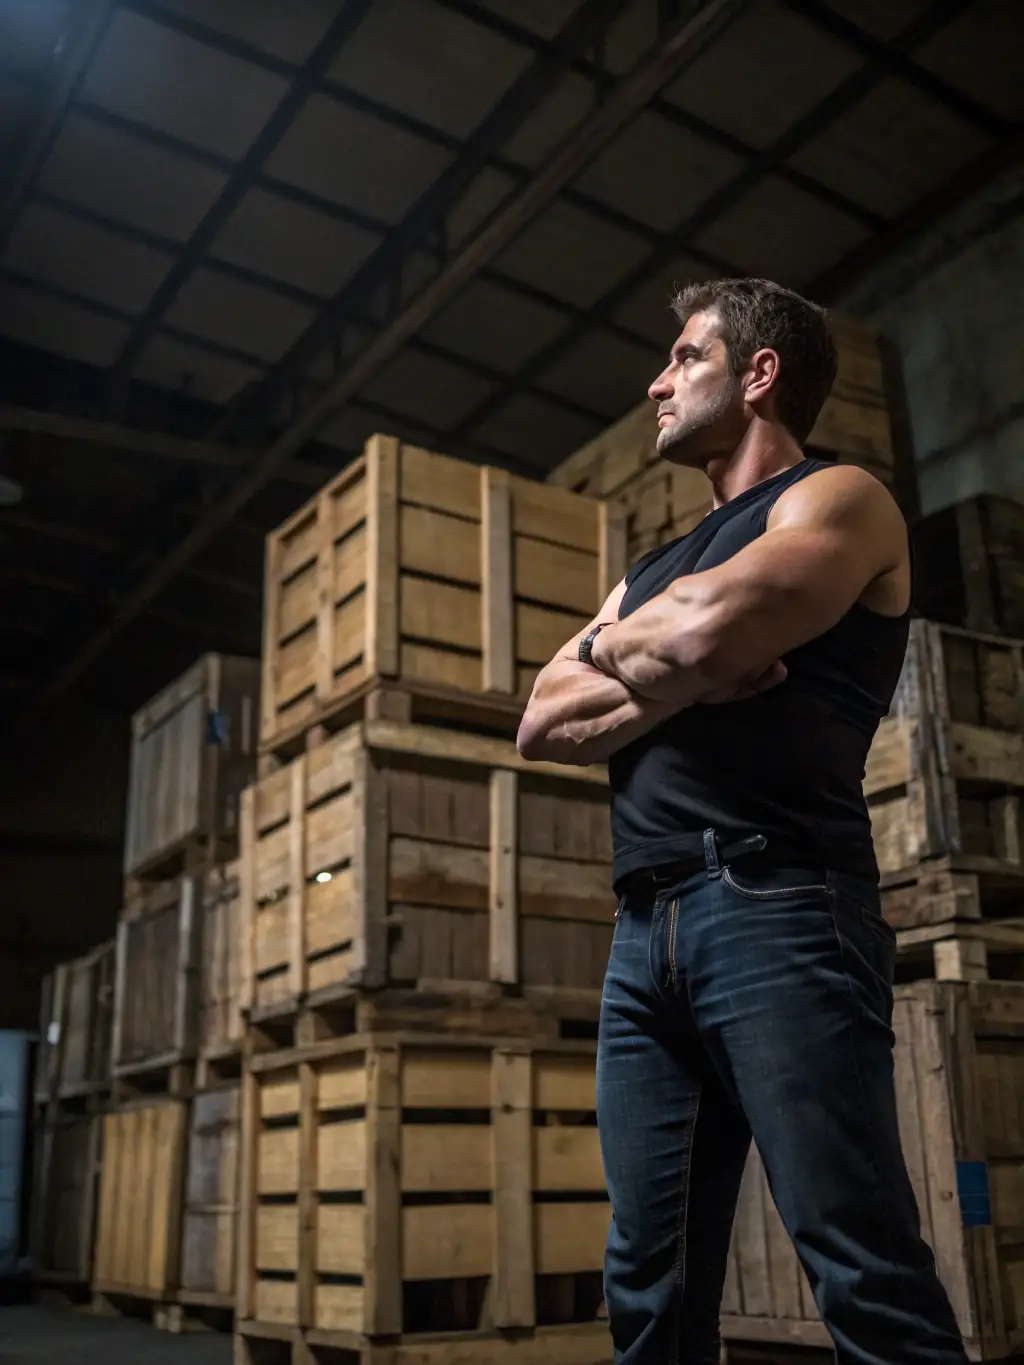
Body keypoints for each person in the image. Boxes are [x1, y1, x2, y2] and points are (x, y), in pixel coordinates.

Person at [516, 278, 968, 1365]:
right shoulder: (647, 572)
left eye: (684, 357)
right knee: (647, 1283)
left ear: (758, 374)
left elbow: (698, 631)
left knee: (857, 1259)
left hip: (778, 903)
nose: (656, 382)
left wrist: (637, 653)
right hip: (642, 934)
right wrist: (681, 666)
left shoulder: (838, 497)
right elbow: (540, 720)